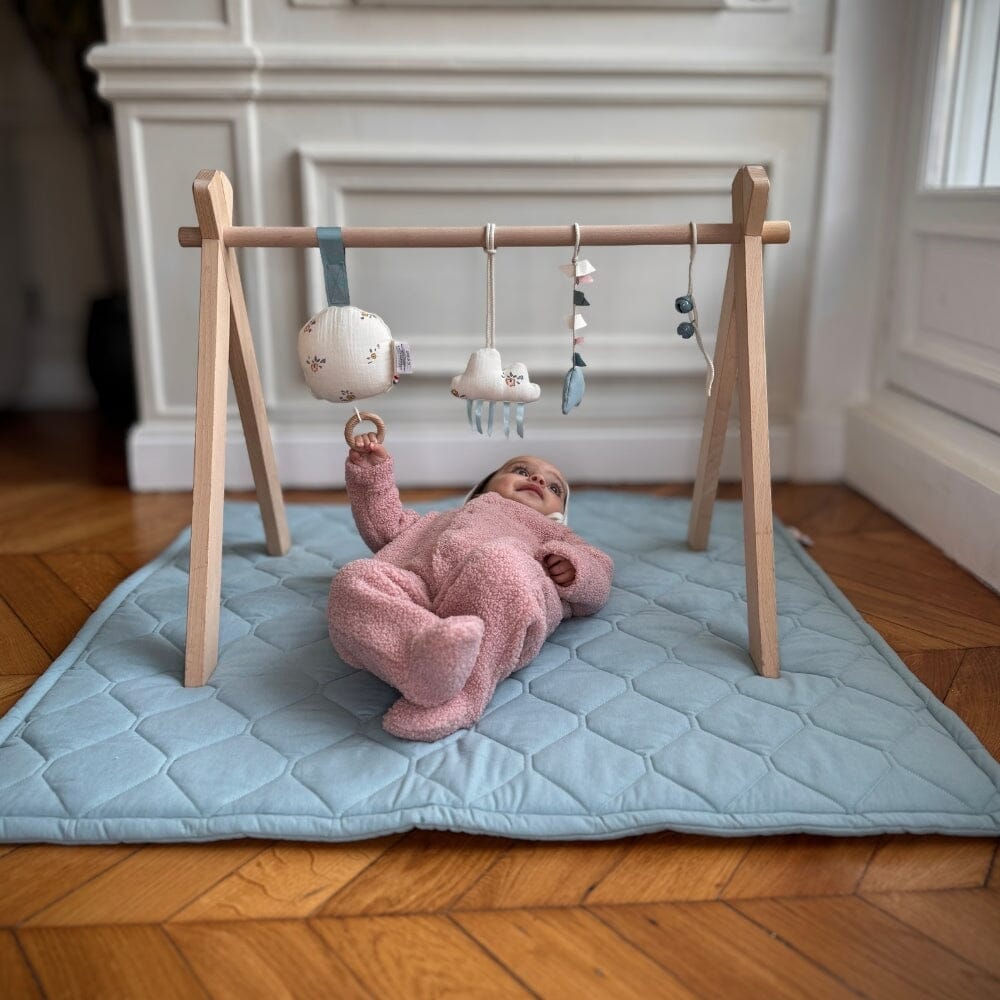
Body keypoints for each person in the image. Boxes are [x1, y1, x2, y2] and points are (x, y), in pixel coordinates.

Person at [327, 435, 614, 741]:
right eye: (519, 470)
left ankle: (465, 693)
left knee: (499, 560)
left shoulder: (555, 535)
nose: (537, 478)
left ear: (559, 514)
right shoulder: (442, 519)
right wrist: (372, 476)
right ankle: (422, 658)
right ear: (483, 487)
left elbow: (600, 574)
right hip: (417, 597)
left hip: (493, 613)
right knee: (356, 576)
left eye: (555, 488)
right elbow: (386, 526)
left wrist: (574, 568)